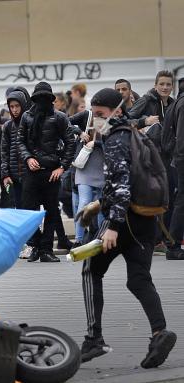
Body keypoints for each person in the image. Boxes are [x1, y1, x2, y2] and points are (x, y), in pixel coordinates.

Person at [80, 88, 177, 367]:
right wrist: (97, 205)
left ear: (117, 111)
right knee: (138, 279)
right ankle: (159, 332)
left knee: (90, 270)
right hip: (147, 219)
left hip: (123, 221)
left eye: (100, 114)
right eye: (93, 115)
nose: (96, 120)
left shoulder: (115, 140)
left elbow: (121, 186)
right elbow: (129, 182)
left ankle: (94, 338)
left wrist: (112, 225)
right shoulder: (135, 134)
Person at [17, 81, 76, 262]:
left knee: (51, 211)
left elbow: (71, 142)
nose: (42, 101)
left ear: (50, 99)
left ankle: (46, 250)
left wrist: (62, 167)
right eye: (39, 98)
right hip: (31, 172)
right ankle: (36, 246)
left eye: (45, 98)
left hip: (52, 172)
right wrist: (28, 158)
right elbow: (20, 141)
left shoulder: (59, 117)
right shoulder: (26, 117)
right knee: (29, 211)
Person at [128, 70, 175, 253]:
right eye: (161, 84)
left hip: (168, 158)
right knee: (153, 198)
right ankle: (153, 240)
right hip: (148, 158)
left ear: (172, 87)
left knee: (168, 198)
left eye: (168, 84)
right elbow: (126, 120)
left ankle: (164, 238)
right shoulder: (146, 100)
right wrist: (144, 121)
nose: (165, 87)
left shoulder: (173, 104)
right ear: (155, 85)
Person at [69, 107, 104, 247]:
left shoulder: (112, 118)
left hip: (102, 166)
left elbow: (114, 140)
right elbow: (65, 122)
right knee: (83, 202)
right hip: (84, 166)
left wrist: (96, 143)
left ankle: (100, 239)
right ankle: (78, 240)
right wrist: (80, 132)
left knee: (101, 205)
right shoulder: (87, 115)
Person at [165, 79, 184, 260]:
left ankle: (174, 243)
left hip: (178, 159)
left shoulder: (177, 102)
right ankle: (174, 245)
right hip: (181, 159)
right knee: (181, 201)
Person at [1, 90, 27, 209]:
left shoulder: (30, 123)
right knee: (19, 208)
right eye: (11, 107)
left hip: (30, 175)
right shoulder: (8, 126)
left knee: (31, 208)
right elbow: (4, 152)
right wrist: (5, 174)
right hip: (14, 176)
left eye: (17, 106)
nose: (14, 110)